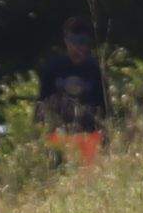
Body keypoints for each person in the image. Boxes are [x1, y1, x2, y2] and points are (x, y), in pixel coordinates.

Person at [38, 19, 109, 168]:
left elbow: (104, 107)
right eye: (74, 41)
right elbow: (42, 103)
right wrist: (41, 130)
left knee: (87, 180)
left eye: (83, 42)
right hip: (59, 135)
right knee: (57, 176)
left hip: (88, 135)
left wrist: (105, 136)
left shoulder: (94, 70)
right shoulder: (53, 68)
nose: (79, 47)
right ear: (66, 41)